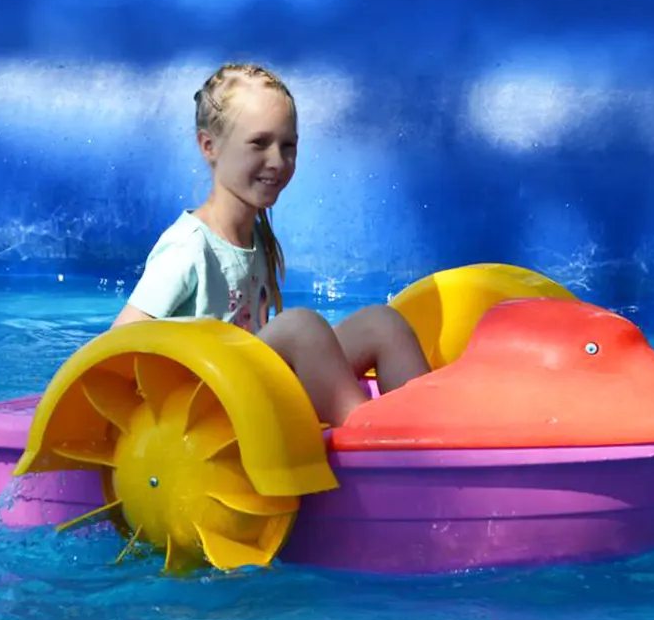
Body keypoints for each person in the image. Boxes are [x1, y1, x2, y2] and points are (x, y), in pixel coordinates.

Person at [113, 63, 430, 426]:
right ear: (209, 145)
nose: (278, 161)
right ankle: (368, 439)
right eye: (259, 143)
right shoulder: (189, 248)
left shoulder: (257, 235)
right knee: (300, 327)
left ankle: (431, 434)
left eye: (288, 145)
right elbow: (119, 344)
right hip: (207, 409)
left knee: (381, 322)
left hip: (252, 388)